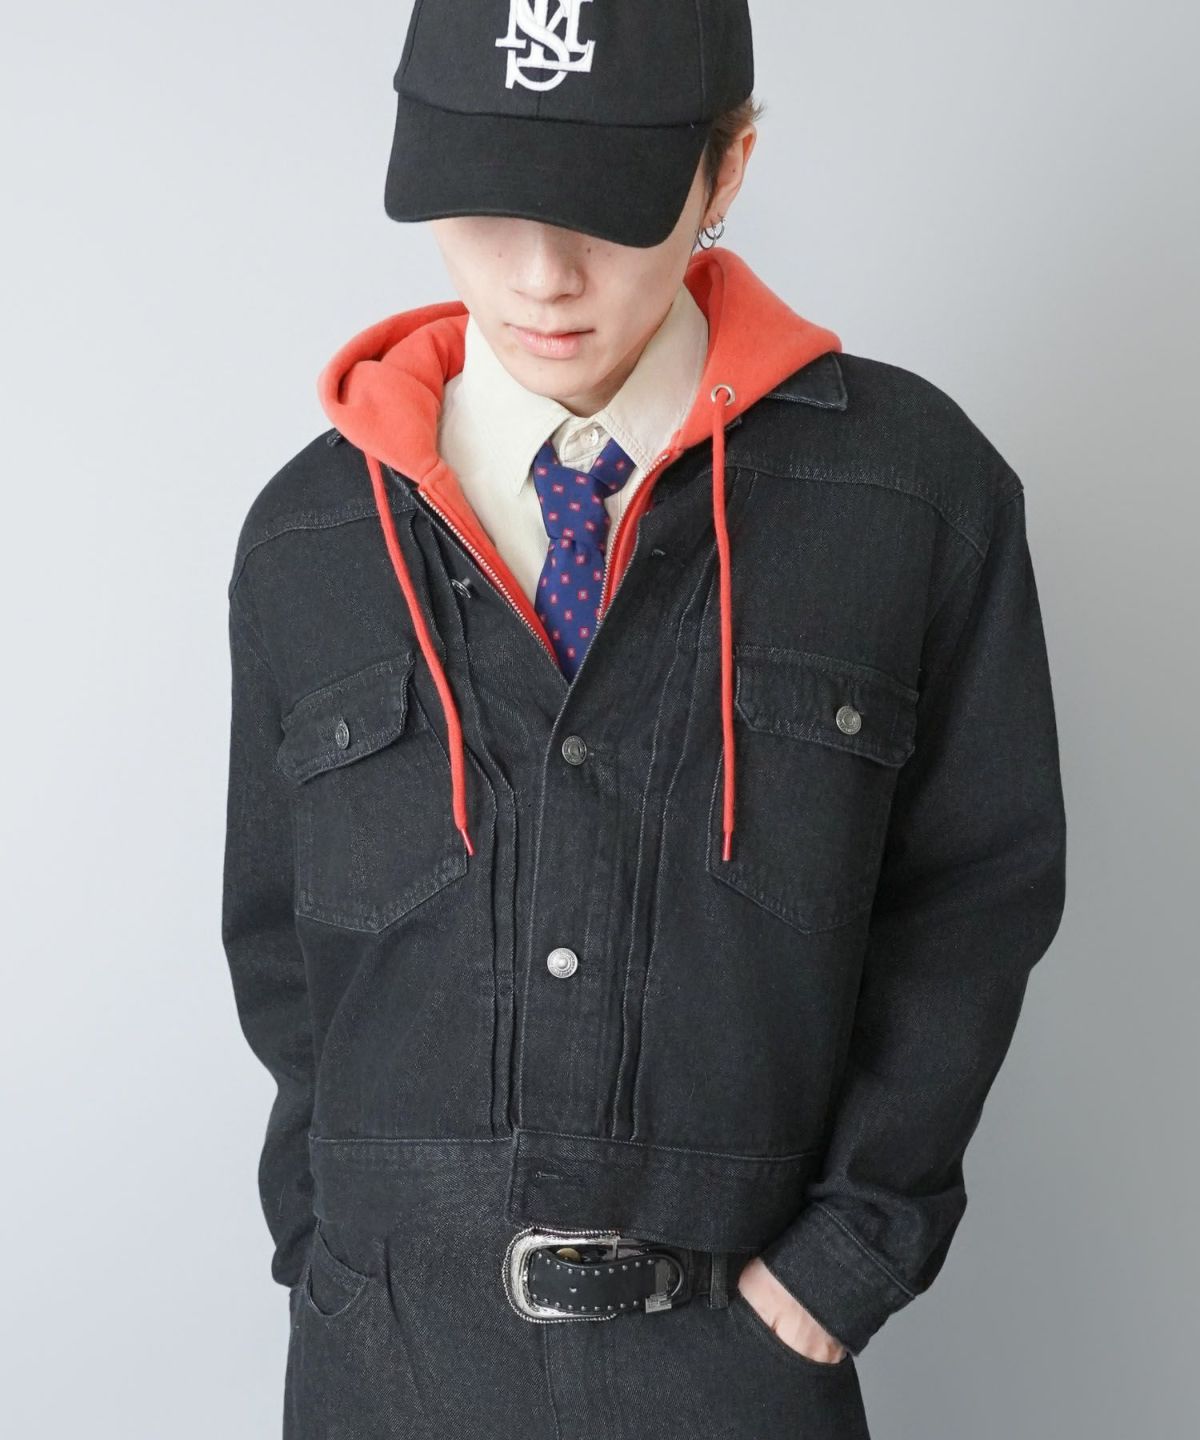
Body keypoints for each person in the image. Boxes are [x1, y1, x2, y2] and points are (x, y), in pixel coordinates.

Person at [221, 3, 1067, 1436]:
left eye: (604, 206)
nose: (542, 275)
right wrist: (329, 1248)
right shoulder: (311, 533)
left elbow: (975, 899)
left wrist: (851, 1253)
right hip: (385, 1369)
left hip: (736, 1374)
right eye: (487, 203)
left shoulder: (913, 495)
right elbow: (280, 951)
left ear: (725, 168)